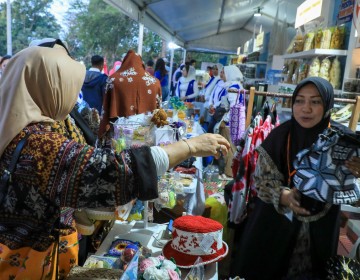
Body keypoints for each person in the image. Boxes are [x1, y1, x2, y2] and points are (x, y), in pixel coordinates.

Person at [0, 40, 231, 278]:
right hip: (29, 265)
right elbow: (111, 170)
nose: (70, 100)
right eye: (66, 88)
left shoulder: (15, 128)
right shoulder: (39, 144)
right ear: (48, 89)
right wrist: (189, 146)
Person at [232, 77, 360, 279]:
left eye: (315, 101)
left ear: (327, 104)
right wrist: (283, 196)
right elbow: (262, 182)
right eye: (299, 100)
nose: (305, 108)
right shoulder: (280, 136)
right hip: (275, 223)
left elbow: (352, 194)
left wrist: (357, 174)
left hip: (321, 227)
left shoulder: (344, 139)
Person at [103, 49, 161, 118]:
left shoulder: (113, 80)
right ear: (141, 63)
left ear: (124, 62)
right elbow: (159, 110)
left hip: (119, 126)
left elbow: (106, 107)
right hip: (147, 126)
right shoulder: (155, 82)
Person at [207, 65, 243, 133]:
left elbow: (234, 106)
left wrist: (225, 121)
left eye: (223, 73)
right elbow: (224, 100)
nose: (221, 74)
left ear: (229, 74)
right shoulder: (230, 85)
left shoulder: (234, 87)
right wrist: (214, 106)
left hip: (228, 123)